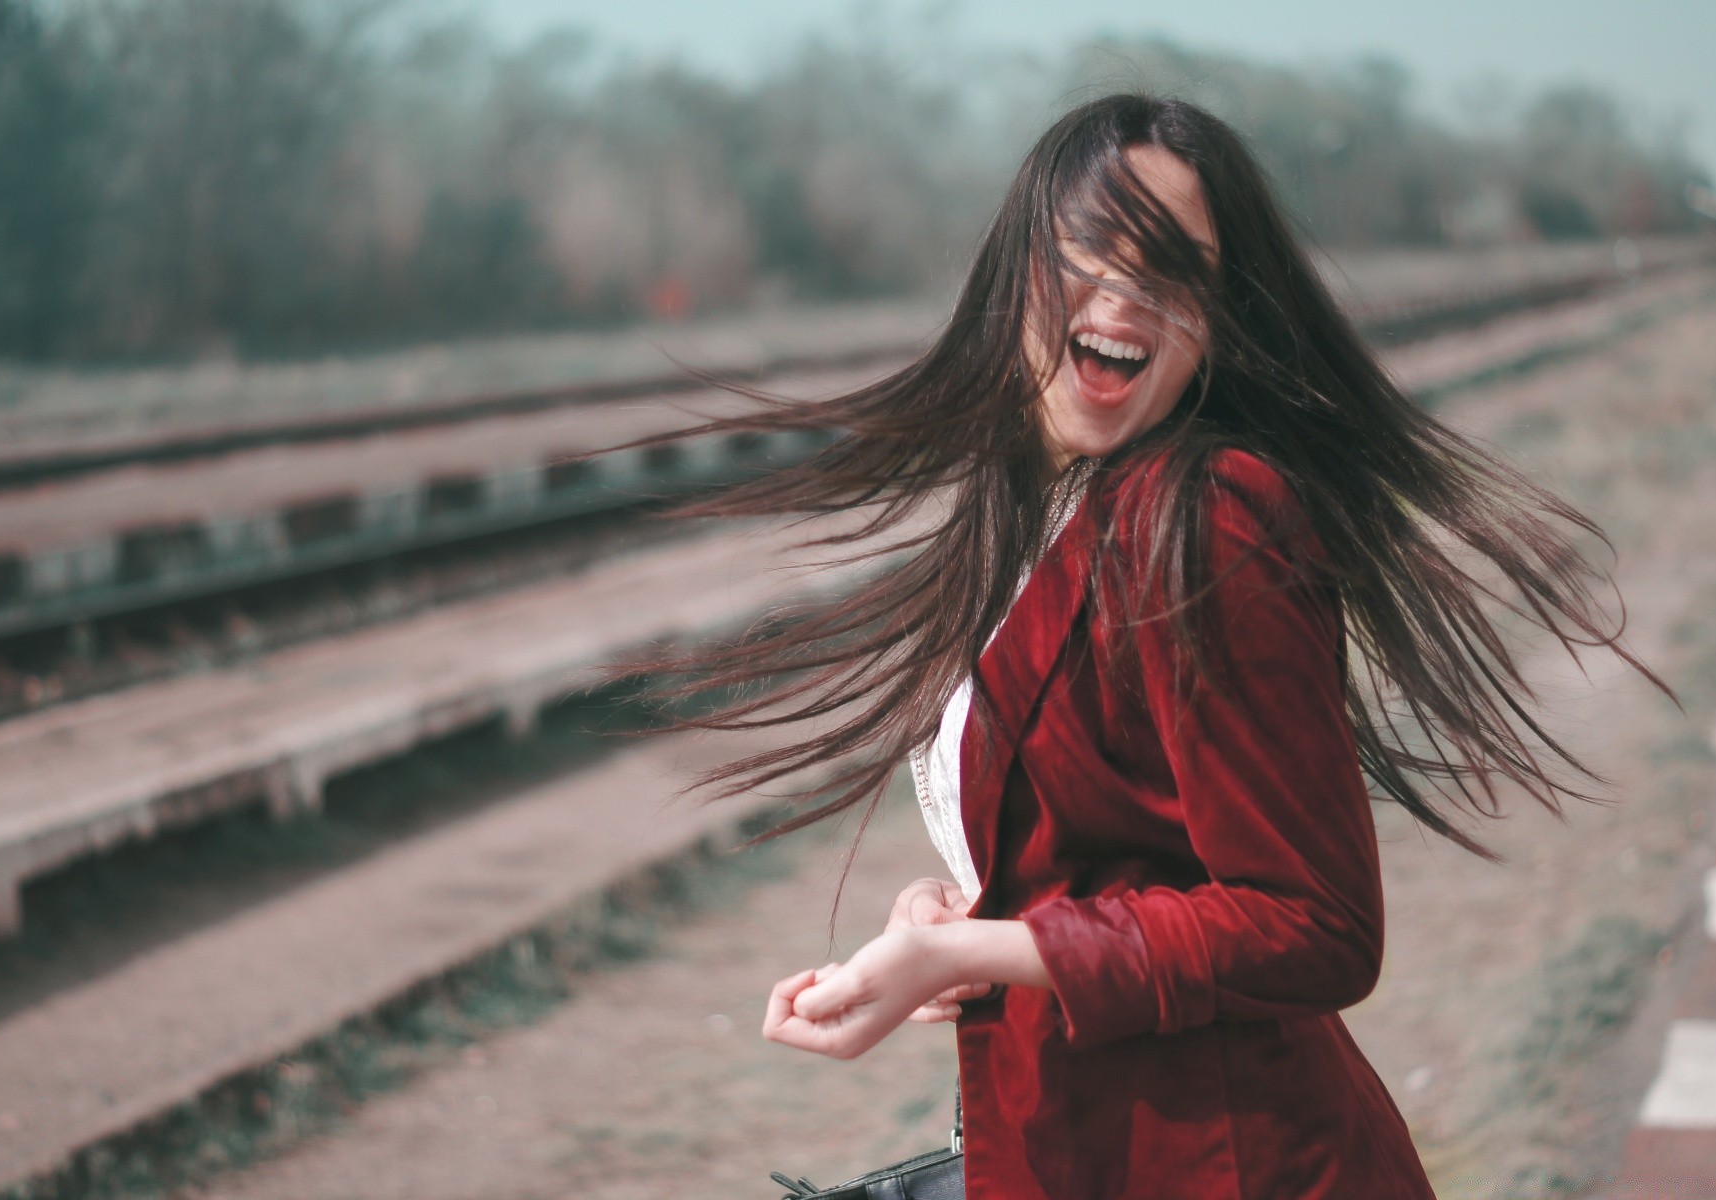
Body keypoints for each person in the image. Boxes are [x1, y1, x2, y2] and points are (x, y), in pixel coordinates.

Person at [657, 94, 1661, 1198]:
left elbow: (1314, 923)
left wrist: (974, 955)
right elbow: (1116, 854)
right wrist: (959, 915)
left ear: (1220, 318)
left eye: (1175, 266)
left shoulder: (1212, 517)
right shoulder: (1036, 511)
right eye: (1088, 249)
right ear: (1017, 274)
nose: (1124, 295)